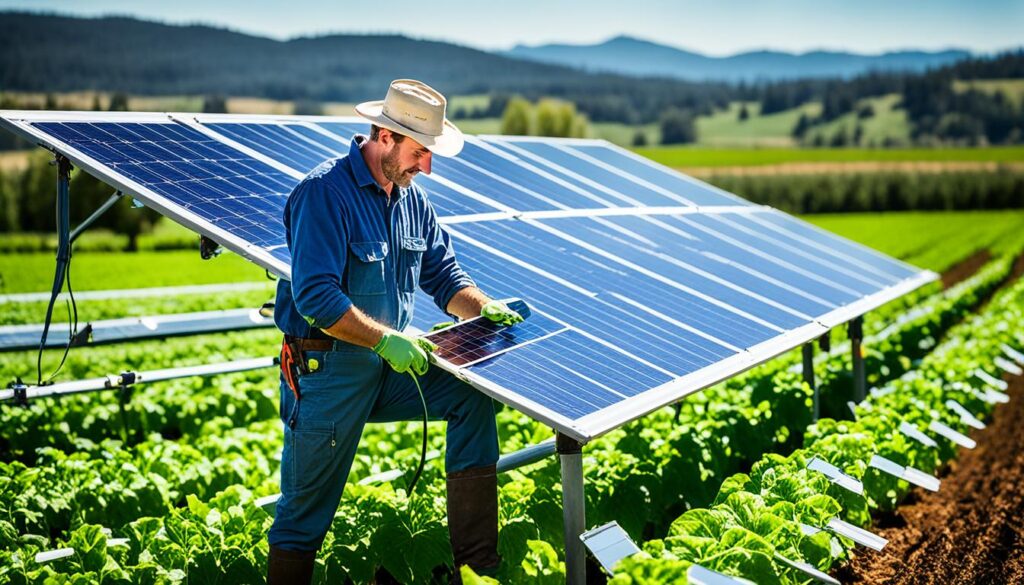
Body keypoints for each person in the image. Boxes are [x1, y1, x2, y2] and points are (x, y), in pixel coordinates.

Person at [267, 79, 522, 584]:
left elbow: (445, 277)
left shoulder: (411, 201)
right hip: (328, 373)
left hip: (387, 366)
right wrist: (385, 339)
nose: (425, 167)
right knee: (303, 517)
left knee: (471, 396)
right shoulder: (324, 194)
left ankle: (477, 569)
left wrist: (482, 306)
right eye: (419, 152)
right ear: (384, 136)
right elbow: (315, 298)